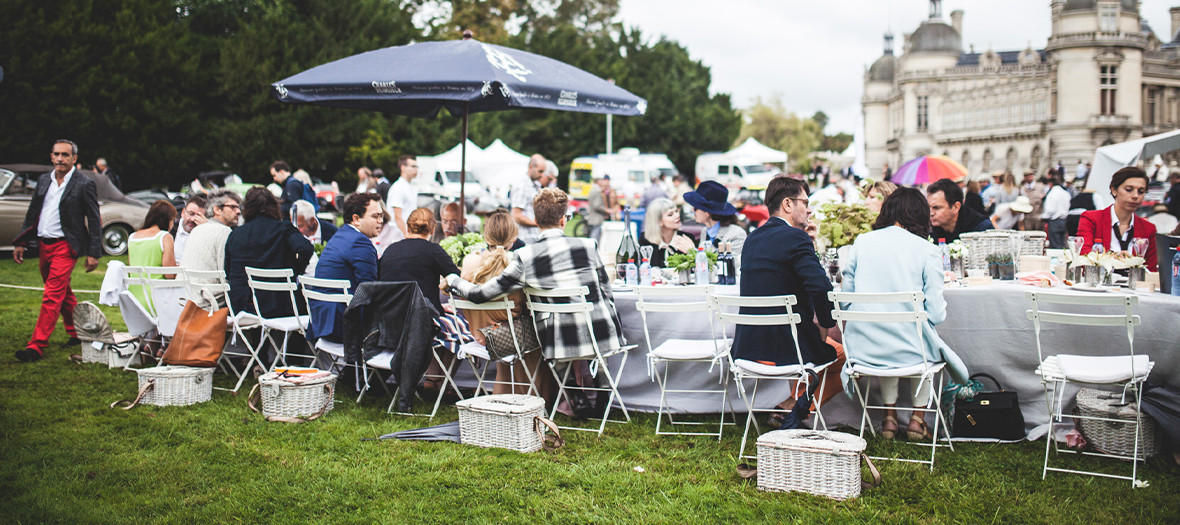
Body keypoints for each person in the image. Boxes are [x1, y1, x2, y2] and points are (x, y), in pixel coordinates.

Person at [840, 187, 968, 440]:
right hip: (911, 351)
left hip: (865, 348)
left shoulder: (862, 242)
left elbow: (845, 301)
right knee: (921, 342)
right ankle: (916, 421)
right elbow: (936, 314)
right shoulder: (926, 249)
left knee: (893, 338)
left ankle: (889, 420)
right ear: (919, 215)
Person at [446, 188, 625, 363]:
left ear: (536, 222)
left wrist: (454, 279)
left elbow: (480, 294)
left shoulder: (526, 256)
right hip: (603, 338)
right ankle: (599, 389)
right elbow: (607, 293)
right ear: (564, 220)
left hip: (558, 345)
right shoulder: (588, 246)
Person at [730, 176, 844, 414]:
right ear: (788, 204)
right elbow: (822, 289)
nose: (809, 208)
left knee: (814, 344)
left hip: (748, 348)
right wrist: (825, 325)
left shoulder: (752, 239)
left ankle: (791, 404)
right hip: (786, 350)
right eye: (806, 201)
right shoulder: (796, 238)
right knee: (848, 357)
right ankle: (793, 408)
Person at [13, 140, 102, 362]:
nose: (60, 158)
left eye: (65, 154)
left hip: (66, 245)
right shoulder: (44, 180)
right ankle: (75, 331)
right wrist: (21, 242)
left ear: (74, 159)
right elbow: (33, 212)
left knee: (52, 294)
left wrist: (94, 252)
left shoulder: (84, 183)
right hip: (44, 244)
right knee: (62, 292)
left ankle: (36, 345)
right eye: (56, 154)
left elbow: (94, 218)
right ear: (51, 157)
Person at [458, 211, 553, 399]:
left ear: (486, 236)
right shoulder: (516, 263)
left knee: (512, 327)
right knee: (543, 335)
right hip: (507, 338)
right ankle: (538, 401)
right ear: (514, 237)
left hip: (476, 335)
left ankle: (504, 398)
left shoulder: (470, 261)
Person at [224, 187, 313, 317]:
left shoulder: (236, 234)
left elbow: (228, 270)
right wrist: (297, 270)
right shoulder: (284, 229)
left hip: (241, 307)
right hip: (279, 305)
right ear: (274, 206)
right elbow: (306, 248)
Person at [309, 193, 382, 344]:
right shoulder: (361, 243)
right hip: (344, 326)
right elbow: (370, 289)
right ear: (356, 219)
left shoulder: (339, 235)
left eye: (381, 216)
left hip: (321, 320)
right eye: (375, 216)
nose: (381, 221)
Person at [378, 208, 461, 317]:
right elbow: (457, 279)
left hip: (390, 318)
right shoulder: (433, 250)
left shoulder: (390, 250)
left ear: (408, 228)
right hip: (424, 319)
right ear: (432, 229)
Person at [1076, 167, 1158, 271]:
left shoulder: (1149, 228)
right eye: (1129, 190)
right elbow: (1084, 254)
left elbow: (1151, 269)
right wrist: (1111, 257)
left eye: (1141, 191)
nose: (1135, 196)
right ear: (1114, 190)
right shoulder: (1091, 218)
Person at [181, 189, 241, 304]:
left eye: (239, 208)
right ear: (217, 209)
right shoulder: (225, 232)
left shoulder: (196, 230)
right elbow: (226, 275)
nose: (238, 211)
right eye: (233, 207)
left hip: (185, 299)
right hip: (209, 304)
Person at [127, 200, 178, 308]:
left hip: (133, 297)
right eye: (173, 220)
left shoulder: (132, 237)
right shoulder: (164, 237)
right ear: (167, 219)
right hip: (158, 298)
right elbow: (169, 274)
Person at [684, 180, 747, 257]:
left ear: (707, 212)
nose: (692, 211)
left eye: (695, 208)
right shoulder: (705, 232)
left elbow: (730, 265)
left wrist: (693, 252)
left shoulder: (737, 234)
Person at [927, 178, 993, 243]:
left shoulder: (981, 229)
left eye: (936, 208)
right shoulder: (928, 228)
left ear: (956, 207)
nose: (931, 213)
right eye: (928, 207)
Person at [638, 198, 696, 268]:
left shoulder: (686, 238)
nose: (677, 216)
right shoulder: (645, 240)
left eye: (676, 211)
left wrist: (692, 252)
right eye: (670, 214)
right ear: (659, 221)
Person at [512, 154, 549, 244]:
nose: (542, 175)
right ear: (531, 167)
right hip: (524, 238)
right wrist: (539, 224)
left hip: (534, 236)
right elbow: (517, 215)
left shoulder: (535, 184)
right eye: (540, 171)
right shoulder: (522, 185)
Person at [385, 155, 420, 241]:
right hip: (398, 236)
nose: (416, 169)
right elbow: (397, 216)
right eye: (413, 166)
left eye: (417, 166)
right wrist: (406, 235)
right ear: (403, 168)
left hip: (407, 235)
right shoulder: (398, 187)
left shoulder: (410, 187)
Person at [172, 193, 207, 265]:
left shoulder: (205, 233)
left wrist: (204, 229)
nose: (193, 219)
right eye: (191, 214)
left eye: (198, 216)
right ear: (183, 213)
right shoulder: (171, 228)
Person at [1041, 174, 1071, 249]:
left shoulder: (1052, 194)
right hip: (1064, 220)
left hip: (1054, 221)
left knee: (1055, 244)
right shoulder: (1065, 193)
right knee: (1063, 243)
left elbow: (1051, 209)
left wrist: (1044, 217)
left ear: (1050, 183)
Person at [586, 175, 614, 244]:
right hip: (597, 218)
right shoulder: (597, 191)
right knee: (595, 237)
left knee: (593, 235)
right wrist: (606, 210)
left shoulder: (593, 190)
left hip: (592, 217)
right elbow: (597, 205)